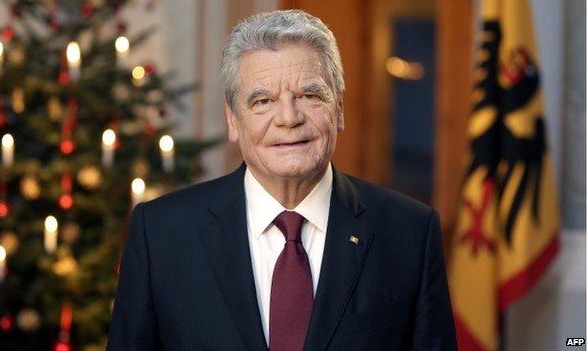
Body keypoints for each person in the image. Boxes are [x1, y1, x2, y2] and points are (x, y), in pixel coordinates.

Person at [107, 9, 456, 351]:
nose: (289, 118)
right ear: (233, 119)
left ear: (338, 110)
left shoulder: (410, 232)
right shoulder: (160, 234)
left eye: (309, 95)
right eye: (263, 100)